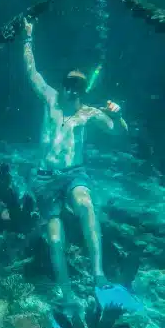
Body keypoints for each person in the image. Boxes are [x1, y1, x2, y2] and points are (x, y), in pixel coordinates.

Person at [22, 18, 128, 310]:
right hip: (44, 178)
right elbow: (32, 72)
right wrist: (28, 38)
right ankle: (67, 295)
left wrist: (118, 114)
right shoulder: (50, 99)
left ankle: (99, 274)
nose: (72, 90)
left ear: (83, 89)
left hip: (73, 174)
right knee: (55, 239)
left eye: (78, 86)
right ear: (63, 84)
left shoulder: (90, 113)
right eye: (69, 84)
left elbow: (118, 131)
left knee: (86, 204)